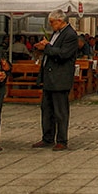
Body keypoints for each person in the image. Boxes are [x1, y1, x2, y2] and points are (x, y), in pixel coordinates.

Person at [32, 10, 79, 150]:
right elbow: (52, 50)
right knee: (47, 109)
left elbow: (63, 54)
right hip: (49, 78)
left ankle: (62, 140)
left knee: (60, 111)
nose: (50, 25)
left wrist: (47, 47)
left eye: (52, 22)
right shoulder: (56, 33)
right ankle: (47, 137)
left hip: (60, 78)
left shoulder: (70, 35)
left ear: (60, 21)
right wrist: (45, 47)